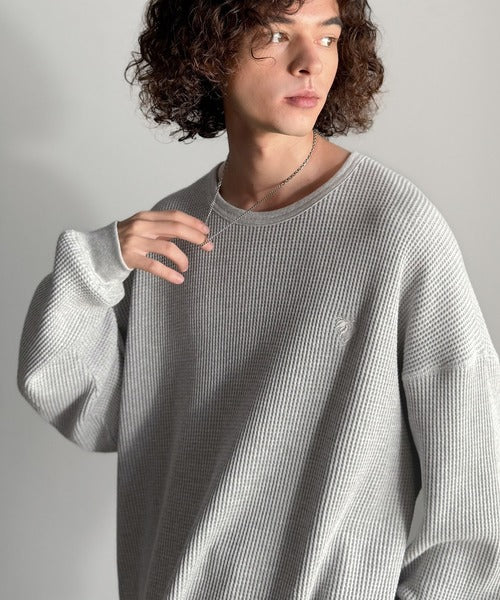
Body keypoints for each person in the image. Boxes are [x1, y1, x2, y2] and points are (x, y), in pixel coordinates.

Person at [16, 0, 500, 598]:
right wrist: (97, 262)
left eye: (328, 38)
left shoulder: (393, 227)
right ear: (207, 47)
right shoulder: (173, 232)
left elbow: (472, 483)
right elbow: (89, 411)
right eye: (275, 34)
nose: (310, 63)